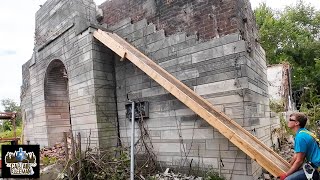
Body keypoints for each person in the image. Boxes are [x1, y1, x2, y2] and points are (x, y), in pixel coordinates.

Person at [280, 112, 320, 180]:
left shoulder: (300, 137)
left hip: (316, 169)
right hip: (314, 165)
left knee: (287, 179)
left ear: (297, 123)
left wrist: (286, 175)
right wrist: (289, 166)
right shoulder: (304, 132)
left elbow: (299, 161)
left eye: (290, 119)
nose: (288, 121)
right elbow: (296, 155)